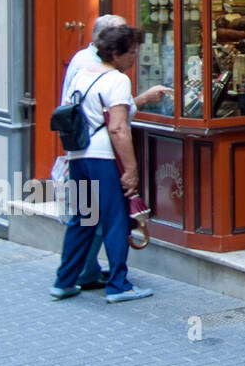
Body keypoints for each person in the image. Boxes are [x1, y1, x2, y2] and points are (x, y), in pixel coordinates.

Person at [59, 15, 170, 289]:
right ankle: (119, 285)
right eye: (132, 52)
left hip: (78, 156)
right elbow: (118, 129)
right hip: (103, 158)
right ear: (117, 53)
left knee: (83, 219)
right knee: (115, 219)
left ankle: (64, 281)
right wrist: (131, 170)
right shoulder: (117, 80)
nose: (135, 58)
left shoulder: (82, 74)